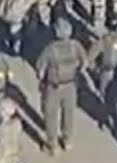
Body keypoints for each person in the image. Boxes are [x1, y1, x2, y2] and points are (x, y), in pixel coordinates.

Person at [34, 17, 87, 154]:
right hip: (70, 85)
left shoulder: (51, 49)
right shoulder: (76, 46)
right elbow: (84, 63)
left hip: (53, 86)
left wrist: (41, 81)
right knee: (68, 113)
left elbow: (40, 69)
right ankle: (67, 140)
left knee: (51, 114)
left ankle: (52, 145)